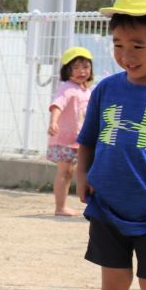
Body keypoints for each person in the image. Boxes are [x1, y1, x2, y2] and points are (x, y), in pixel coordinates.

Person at [74, 0, 146, 290]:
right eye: (119, 44)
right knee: (113, 283)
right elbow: (87, 141)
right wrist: (81, 174)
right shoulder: (106, 88)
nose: (126, 55)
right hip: (107, 205)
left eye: (138, 46)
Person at [47, 47, 94, 216]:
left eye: (86, 67)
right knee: (65, 172)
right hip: (64, 139)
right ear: (67, 70)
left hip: (79, 140)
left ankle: (79, 205)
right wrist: (53, 122)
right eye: (76, 67)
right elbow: (57, 105)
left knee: (75, 172)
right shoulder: (67, 88)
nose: (82, 71)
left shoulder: (86, 90)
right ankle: (60, 208)